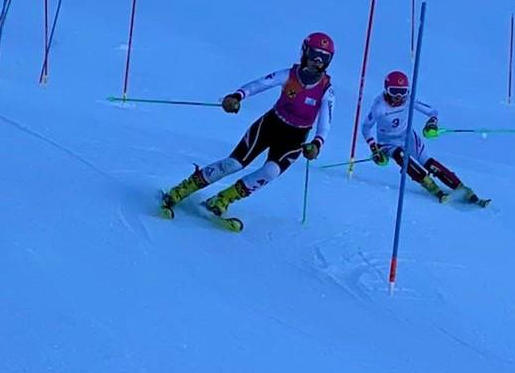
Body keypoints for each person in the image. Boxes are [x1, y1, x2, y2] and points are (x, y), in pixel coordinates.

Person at [159, 32, 336, 229]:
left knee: (270, 171)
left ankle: (222, 200)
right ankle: (182, 189)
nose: (317, 61)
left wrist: (317, 144)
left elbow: (325, 123)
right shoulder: (289, 75)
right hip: (271, 125)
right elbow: (262, 83)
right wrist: (237, 96)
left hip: (295, 138)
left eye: (324, 58)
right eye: (313, 54)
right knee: (234, 164)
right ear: (304, 52)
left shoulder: (326, 90)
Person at [360, 70, 490, 207]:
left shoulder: (409, 100)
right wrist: (374, 147)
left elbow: (432, 111)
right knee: (401, 156)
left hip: (407, 136)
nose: (399, 97)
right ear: (386, 90)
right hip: (387, 143)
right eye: (394, 92)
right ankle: (431, 186)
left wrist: (432, 122)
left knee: (428, 162)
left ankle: (462, 188)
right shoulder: (379, 107)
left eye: (403, 92)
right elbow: (365, 128)